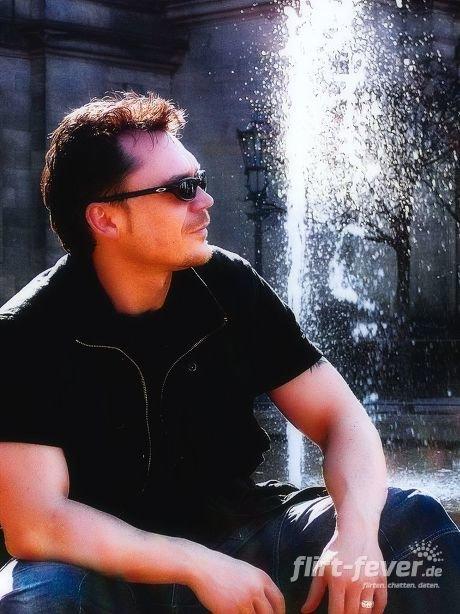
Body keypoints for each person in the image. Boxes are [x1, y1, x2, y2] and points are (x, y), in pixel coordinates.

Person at [0, 92, 458, 614]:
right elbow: (36, 523)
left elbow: (342, 419)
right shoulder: (26, 330)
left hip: (241, 536)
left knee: (412, 525)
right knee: (35, 597)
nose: (205, 200)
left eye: (199, 181)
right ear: (105, 219)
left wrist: (355, 532)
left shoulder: (227, 285)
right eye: (180, 189)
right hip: (105, 566)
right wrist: (193, 563)